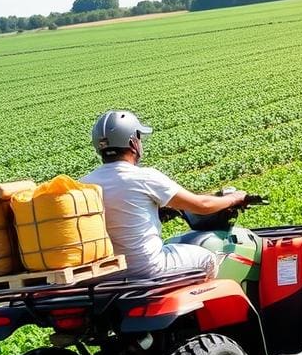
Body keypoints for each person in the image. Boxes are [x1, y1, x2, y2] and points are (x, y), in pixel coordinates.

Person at [81, 110, 246, 279]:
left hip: (105, 273)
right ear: (132, 143)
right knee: (208, 259)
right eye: (139, 138)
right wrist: (233, 198)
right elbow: (202, 205)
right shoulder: (144, 177)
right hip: (147, 267)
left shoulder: (83, 184)